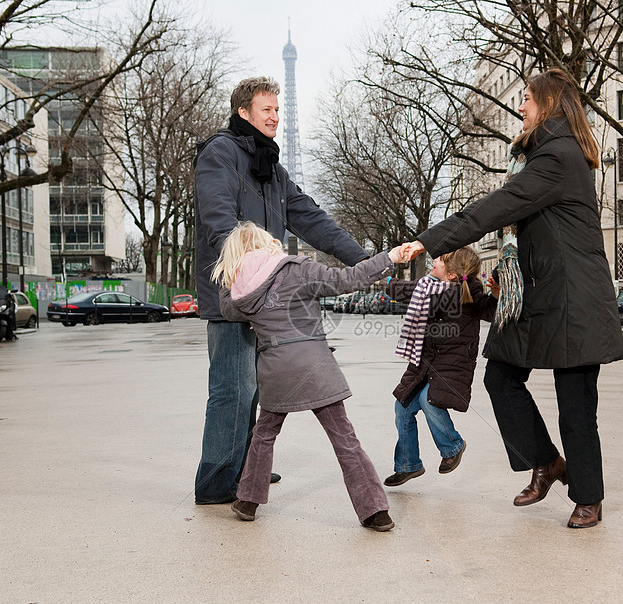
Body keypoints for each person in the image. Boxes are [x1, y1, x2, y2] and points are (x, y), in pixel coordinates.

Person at [404, 68, 623, 528]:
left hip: (573, 298)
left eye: (526, 98)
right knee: (501, 376)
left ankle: (588, 496)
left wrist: (429, 241)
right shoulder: (538, 156)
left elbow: (493, 209)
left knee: (576, 402)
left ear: (547, 105)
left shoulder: (559, 157)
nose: (520, 106)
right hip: (536, 292)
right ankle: (546, 461)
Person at [193, 77, 369, 505]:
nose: (275, 117)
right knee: (233, 388)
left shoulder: (271, 167)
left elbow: (311, 219)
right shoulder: (221, 153)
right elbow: (218, 219)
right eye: (266, 109)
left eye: (278, 110)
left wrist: (362, 260)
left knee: (258, 386)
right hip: (235, 294)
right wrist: (245, 268)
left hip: (268, 296)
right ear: (244, 113)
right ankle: (218, 482)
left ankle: (247, 468)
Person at [214, 222, 409, 531]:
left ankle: (248, 502)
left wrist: (231, 275)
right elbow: (348, 279)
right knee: (344, 438)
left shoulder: (239, 290)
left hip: (275, 369)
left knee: (264, 435)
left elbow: (227, 310)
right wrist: (389, 257)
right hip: (315, 367)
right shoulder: (296, 269)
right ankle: (375, 511)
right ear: (268, 243)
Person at [383, 247, 497, 487]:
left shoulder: (468, 292)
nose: (434, 261)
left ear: (453, 274)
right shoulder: (427, 286)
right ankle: (408, 464)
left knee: (429, 399)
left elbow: (489, 311)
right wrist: (384, 275)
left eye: (441, 260)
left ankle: (452, 446)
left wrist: (497, 295)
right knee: (402, 406)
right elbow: (403, 289)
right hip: (424, 362)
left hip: (452, 365)